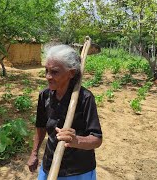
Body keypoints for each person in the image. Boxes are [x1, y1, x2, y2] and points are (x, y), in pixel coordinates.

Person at [27, 44, 102, 180]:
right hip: (50, 164)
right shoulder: (44, 95)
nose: (48, 76)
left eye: (55, 72)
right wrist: (34, 153)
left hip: (78, 171)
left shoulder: (85, 98)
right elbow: (40, 126)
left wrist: (76, 140)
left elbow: (97, 139)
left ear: (71, 73)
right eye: (46, 70)